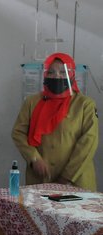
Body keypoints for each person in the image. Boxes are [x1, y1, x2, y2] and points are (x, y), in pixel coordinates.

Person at [12, 52, 98, 191]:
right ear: (45, 75)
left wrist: (67, 177)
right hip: (40, 179)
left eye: (63, 72)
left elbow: (89, 142)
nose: (57, 76)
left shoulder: (84, 105)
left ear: (72, 75)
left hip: (75, 181)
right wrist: (34, 158)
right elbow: (18, 133)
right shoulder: (32, 102)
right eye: (51, 72)